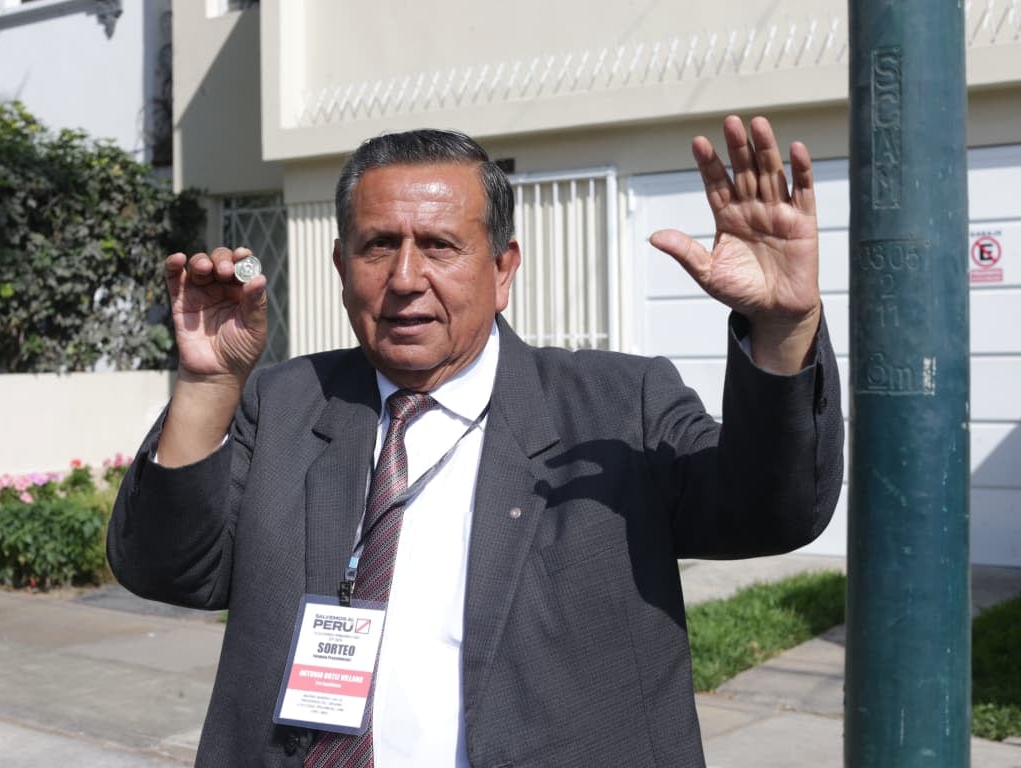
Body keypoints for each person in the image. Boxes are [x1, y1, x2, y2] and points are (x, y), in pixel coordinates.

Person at [108, 115, 844, 767]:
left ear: (502, 270)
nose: (405, 278)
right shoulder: (286, 403)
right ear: (341, 269)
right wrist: (207, 387)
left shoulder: (620, 404)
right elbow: (168, 569)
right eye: (376, 247)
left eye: (439, 245)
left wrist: (781, 331)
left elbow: (773, 511)